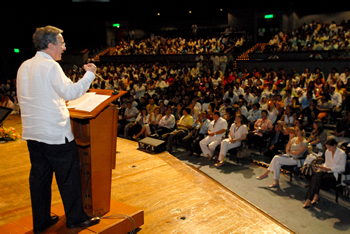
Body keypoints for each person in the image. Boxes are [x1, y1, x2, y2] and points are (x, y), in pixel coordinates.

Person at [16, 26, 100, 233]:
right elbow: (70, 92)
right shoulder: (50, 66)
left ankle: (42, 220)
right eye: (61, 43)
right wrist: (90, 75)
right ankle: (76, 219)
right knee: (69, 178)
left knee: (40, 180)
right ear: (50, 45)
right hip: (54, 134)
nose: (64, 47)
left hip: (33, 134)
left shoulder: (24, 66)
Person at [303, 138, 346, 208]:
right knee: (317, 174)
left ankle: (312, 197)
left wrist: (329, 169)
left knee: (316, 178)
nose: (328, 149)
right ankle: (311, 198)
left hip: (335, 174)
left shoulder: (342, 154)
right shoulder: (327, 152)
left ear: (335, 145)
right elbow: (327, 163)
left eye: (329, 147)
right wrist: (322, 167)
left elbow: (342, 169)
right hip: (326, 171)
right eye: (327, 147)